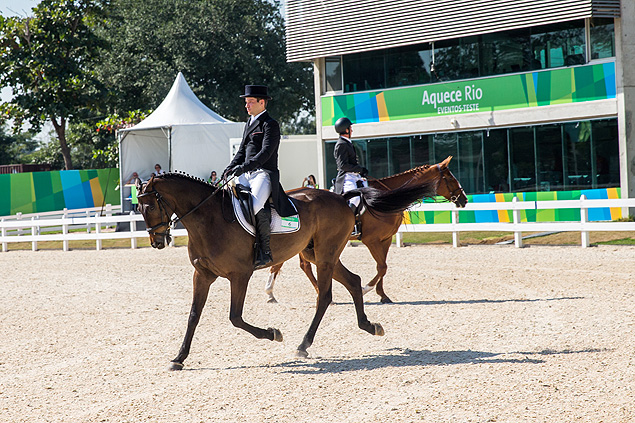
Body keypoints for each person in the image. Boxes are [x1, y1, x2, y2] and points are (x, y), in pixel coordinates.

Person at [222, 85, 296, 270]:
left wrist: (244, 167)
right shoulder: (249, 123)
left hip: (264, 173)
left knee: (255, 205)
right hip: (247, 173)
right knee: (226, 197)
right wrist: (230, 168)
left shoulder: (270, 124)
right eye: (246, 102)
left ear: (261, 102)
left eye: (250, 102)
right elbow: (241, 151)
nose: (246, 106)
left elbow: (266, 153)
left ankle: (264, 250)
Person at [332, 117, 368, 237]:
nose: (352, 130)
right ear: (346, 130)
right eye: (350, 128)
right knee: (355, 199)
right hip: (346, 177)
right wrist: (359, 169)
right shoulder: (341, 144)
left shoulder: (347, 143)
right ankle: (349, 225)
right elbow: (343, 166)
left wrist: (360, 172)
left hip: (354, 176)